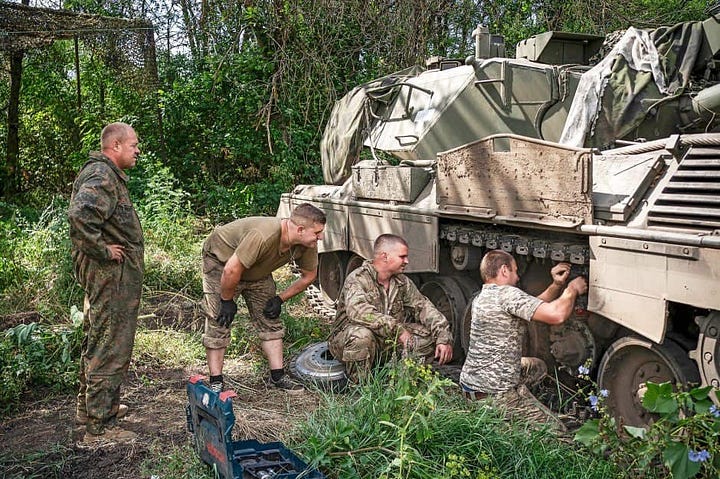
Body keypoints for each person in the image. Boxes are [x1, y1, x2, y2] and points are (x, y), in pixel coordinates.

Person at [68, 122, 143, 443]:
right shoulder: (102, 175)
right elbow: (81, 216)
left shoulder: (107, 175)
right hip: (110, 278)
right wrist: (102, 250)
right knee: (109, 345)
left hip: (113, 277)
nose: (138, 151)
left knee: (99, 338)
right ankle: (99, 428)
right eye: (133, 145)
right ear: (115, 146)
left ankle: (93, 408)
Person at [201, 203, 326, 392]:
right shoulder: (264, 235)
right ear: (300, 229)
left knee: (269, 317)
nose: (321, 237)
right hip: (222, 263)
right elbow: (232, 269)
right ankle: (216, 380)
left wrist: (280, 299)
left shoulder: (306, 243)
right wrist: (226, 301)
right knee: (220, 318)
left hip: (257, 271)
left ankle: (278, 376)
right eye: (317, 233)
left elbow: (309, 276)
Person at [459, 249, 587, 431]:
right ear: (504, 270)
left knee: (538, 367)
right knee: (557, 433)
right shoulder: (507, 294)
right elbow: (556, 315)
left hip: (471, 384)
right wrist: (572, 289)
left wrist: (557, 285)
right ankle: (511, 406)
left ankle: (517, 394)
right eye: (515, 271)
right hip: (494, 394)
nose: (518, 277)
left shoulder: (483, 296)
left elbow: (532, 305)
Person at [328, 234, 454, 381]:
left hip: (386, 341)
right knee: (362, 336)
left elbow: (424, 307)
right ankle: (360, 387)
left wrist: (443, 337)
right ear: (385, 256)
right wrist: (398, 330)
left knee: (429, 336)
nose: (406, 261)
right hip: (347, 340)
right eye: (402, 256)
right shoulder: (358, 279)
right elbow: (359, 312)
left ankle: (398, 381)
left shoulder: (402, 282)